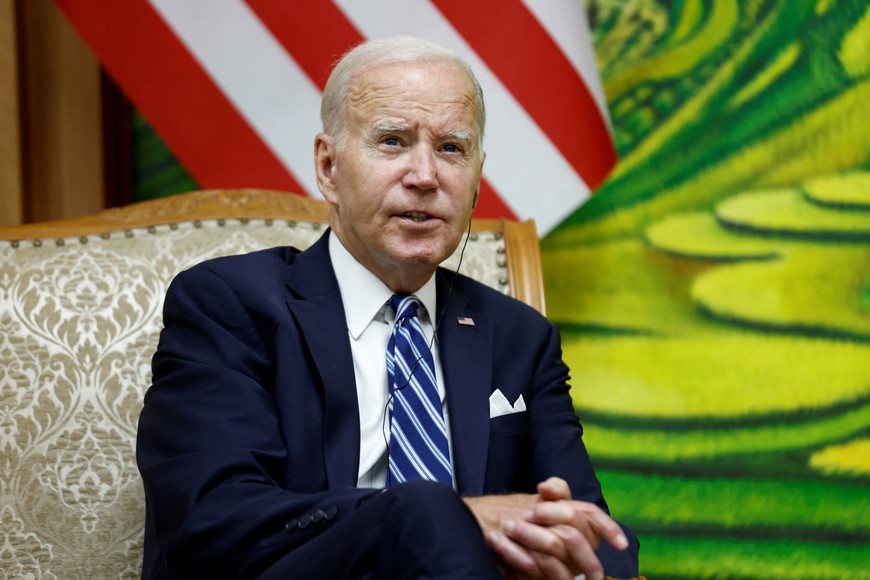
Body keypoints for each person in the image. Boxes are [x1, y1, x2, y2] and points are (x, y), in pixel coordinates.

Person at [137, 36, 639, 579]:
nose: (425, 176)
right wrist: (441, 519)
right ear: (329, 167)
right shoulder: (231, 305)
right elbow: (211, 522)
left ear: (475, 180)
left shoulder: (520, 337)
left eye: (451, 148)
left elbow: (601, 541)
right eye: (393, 141)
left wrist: (555, 540)